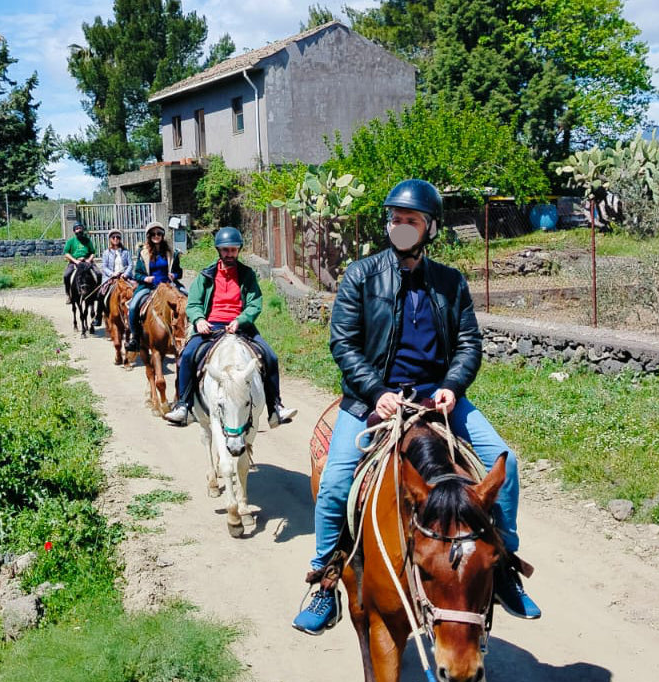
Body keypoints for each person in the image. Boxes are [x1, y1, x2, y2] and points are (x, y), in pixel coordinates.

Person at [291, 178, 540, 636]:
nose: (400, 226)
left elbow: (468, 342)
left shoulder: (450, 282)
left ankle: (503, 565)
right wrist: (375, 391)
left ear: (430, 227)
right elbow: (343, 343)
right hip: (374, 400)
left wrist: (452, 384)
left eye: (411, 220)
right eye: (395, 219)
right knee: (335, 483)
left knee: (507, 464)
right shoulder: (360, 276)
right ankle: (324, 580)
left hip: (438, 399)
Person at [162, 226, 297, 428]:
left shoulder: (247, 274)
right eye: (226, 250)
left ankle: (275, 407)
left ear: (238, 250)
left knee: (270, 357)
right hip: (211, 325)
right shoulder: (206, 275)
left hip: (240, 325)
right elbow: (193, 304)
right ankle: (184, 406)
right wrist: (199, 319)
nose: (230, 254)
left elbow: (254, 303)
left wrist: (241, 320)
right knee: (187, 356)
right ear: (219, 250)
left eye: (234, 250)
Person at [123, 221, 180, 353]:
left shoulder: (172, 252)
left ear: (162, 235)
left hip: (168, 286)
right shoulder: (143, 253)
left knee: (186, 299)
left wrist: (174, 275)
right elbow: (136, 274)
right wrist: (145, 278)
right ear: (149, 236)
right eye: (153, 233)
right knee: (133, 307)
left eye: (159, 233)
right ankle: (135, 338)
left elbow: (179, 272)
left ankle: (188, 335)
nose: (156, 236)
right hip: (149, 287)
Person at [62, 221, 96, 297]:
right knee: (66, 276)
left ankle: (97, 293)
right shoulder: (70, 241)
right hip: (74, 262)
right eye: (77, 229)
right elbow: (66, 253)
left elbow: (93, 252)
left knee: (99, 274)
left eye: (80, 228)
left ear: (83, 230)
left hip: (87, 262)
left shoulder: (87, 240)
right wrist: (75, 261)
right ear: (74, 231)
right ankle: (69, 294)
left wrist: (89, 260)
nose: (79, 230)